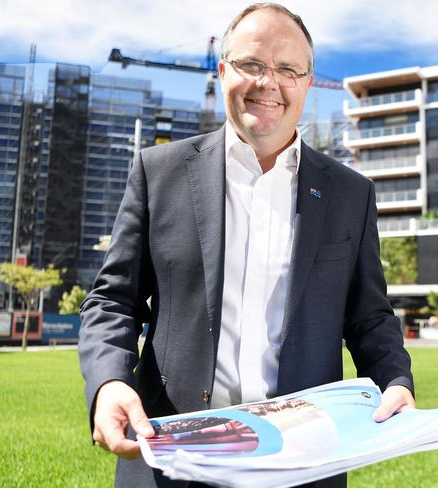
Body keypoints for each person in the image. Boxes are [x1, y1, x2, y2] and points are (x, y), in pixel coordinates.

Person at [78, 3, 415, 487]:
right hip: (172, 458)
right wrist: (109, 380)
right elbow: (113, 301)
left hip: (303, 463)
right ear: (223, 70)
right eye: (252, 65)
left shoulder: (350, 192)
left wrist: (395, 381)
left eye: (288, 69)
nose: (268, 83)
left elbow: (369, 316)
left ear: (307, 79)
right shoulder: (159, 172)